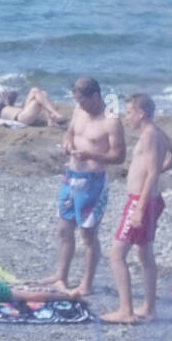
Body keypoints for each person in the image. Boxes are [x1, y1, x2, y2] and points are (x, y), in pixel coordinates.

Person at [102, 93, 172, 323]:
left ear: (141, 113)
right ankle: (149, 308)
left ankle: (125, 311)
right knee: (145, 253)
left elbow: (150, 173)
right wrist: (160, 170)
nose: (126, 117)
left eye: (129, 112)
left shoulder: (149, 136)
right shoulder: (158, 132)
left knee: (116, 255)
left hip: (142, 201)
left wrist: (139, 208)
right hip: (152, 200)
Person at [45, 77, 125, 294]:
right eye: (77, 101)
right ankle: (61, 275)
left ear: (95, 96)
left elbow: (119, 156)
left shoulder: (111, 120)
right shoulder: (79, 111)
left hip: (93, 182)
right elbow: (70, 132)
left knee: (88, 235)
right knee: (64, 229)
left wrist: (91, 154)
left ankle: (87, 283)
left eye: (83, 101)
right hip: (71, 176)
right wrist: (67, 143)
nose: (79, 105)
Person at [0, 83, 65, 127]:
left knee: (37, 91)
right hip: (21, 118)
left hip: (24, 111)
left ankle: (51, 121)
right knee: (39, 99)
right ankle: (55, 114)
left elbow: (9, 97)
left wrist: (2, 94)